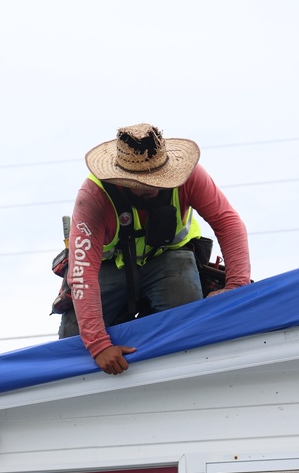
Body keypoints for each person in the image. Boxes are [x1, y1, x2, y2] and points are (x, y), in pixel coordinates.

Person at [59, 123, 251, 376]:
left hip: (168, 261)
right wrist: (98, 345)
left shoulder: (190, 176)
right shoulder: (93, 196)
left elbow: (228, 223)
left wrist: (236, 288)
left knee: (189, 325)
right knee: (73, 345)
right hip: (107, 271)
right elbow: (83, 274)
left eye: (158, 178)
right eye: (141, 181)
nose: (152, 187)